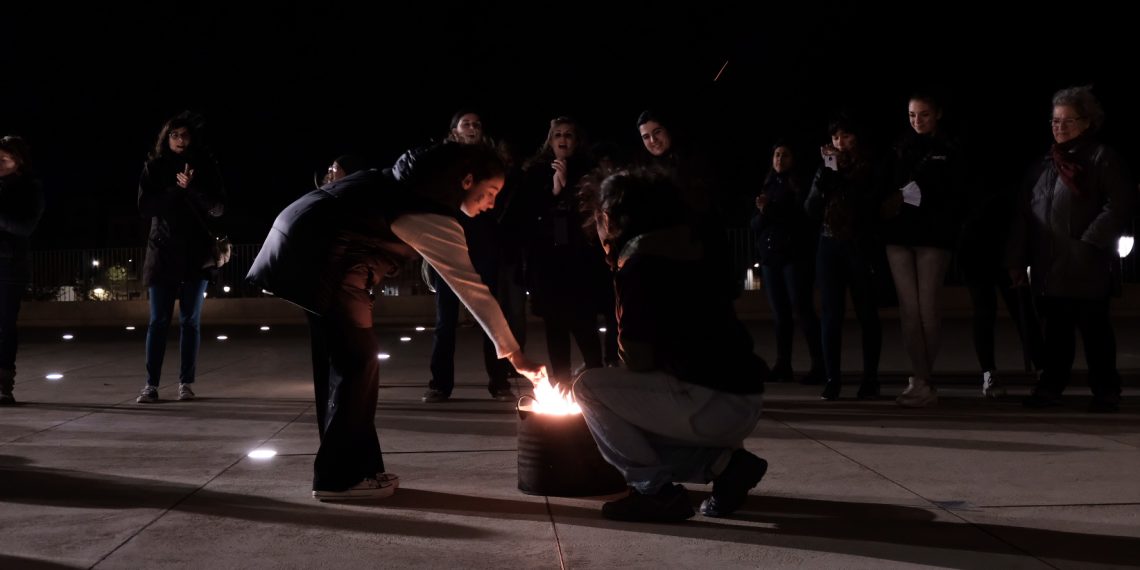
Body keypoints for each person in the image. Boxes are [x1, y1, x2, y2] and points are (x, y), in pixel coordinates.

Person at [247, 142, 545, 500]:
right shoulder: (428, 209)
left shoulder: (409, 188)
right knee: (358, 363)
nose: (492, 203)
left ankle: (359, 470)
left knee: (344, 365)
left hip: (303, 243)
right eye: (491, 192)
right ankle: (337, 479)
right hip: (324, 258)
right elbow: (472, 288)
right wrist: (516, 356)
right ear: (467, 180)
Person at [572, 167, 769, 523]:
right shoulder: (689, 246)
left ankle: (655, 492)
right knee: (626, 422)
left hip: (708, 401)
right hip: (743, 399)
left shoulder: (640, 264)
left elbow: (638, 359)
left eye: (598, 215)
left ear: (610, 218)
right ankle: (726, 466)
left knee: (589, 392)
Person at [1009, 86, 1135, 413]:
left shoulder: (1102, 158)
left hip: (1087, 262)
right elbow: (1025, 214)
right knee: (1056, 334)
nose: (1059, 127)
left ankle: (1106, 390)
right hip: (1051, 266)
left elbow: (1119, 206)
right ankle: (1051, 386)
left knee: (1095, 332)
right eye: (1055, 121)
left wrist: (1090, 241)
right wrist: (1016, 259)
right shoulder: (1044, 164)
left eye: (1067, 120)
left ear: (1087, 122)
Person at [422, 110, 516, 403]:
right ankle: (440, 384)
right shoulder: (444, 161)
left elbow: (503, 200)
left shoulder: (492, 162)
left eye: (477, 123)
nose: (473, 127)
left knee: (490, 314)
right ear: (454, 131)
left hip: (485, 245)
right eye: (466, 124)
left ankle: (499, 381)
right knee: (445, 320)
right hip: (448, 243)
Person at [880, 94, 966, 407]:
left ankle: (924, 379)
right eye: (912, 115)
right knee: (909, 310)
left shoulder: (950, 148)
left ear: (938, 113)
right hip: (899, 233)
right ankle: (919, 378)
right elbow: (884, 184)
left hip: (934, 235)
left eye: (925, 115)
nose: (918, 121)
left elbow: (958, 193)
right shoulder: (898, 146)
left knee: (928, 308)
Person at [136, 111, 226, 404]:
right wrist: (176, 190)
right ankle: (151, 385)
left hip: (197, 253)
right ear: (166, 137)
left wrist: (193, 189)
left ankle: (186, 383)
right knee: (158, 320)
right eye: (174, 134)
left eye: (185, 134)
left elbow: (218, 209)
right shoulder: (155, 167)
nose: (180, 139)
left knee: (190, 320)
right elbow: (145, 207)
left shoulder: (207, 165)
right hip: (162, 251)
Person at [805, 116, 889, 400]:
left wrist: (840, 174)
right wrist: (825, 176)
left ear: (857, 138)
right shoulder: (826, 168)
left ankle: (870, 378)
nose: (840, 143)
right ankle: (833, 379)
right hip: (828, 244)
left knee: (867, 313)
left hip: (860, 245)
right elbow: (811, 208)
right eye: (835, 137)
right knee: (830, 314)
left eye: (846, 136)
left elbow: (868, 205)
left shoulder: (869, 167)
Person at [518, 117, 606, 386]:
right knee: (555, 328)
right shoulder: (535, 171)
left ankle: (596, 382)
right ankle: (562, 385)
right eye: (557, 134)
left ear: (577, 140)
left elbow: (592, 212)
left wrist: (567, 187)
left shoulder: (590, 171)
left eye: (568, 134)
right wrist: (554, 190)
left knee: (584, 325)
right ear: (550, 140)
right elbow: (529, 214)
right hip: (548, 263)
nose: (563, 139)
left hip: (581, 262)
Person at [750, 142, 824, 384]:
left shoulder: (799, 184)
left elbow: (801, 218)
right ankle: (783, 365)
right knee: (780, 314)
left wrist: (769, 210)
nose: (780, 158)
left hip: (794, 257)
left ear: (794, 159)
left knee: (803, 311)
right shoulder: (768, 185)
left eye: (785, 154)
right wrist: (764, 214)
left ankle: (819, 364)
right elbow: (755, 224)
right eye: (776, 154)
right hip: (771, 259)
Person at [0, 136, 45, 405]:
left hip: (9, 265)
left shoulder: (30, 188)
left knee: (5, 326)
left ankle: (4, 383)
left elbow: (26, 227)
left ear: (19, 163)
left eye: (3, 160)